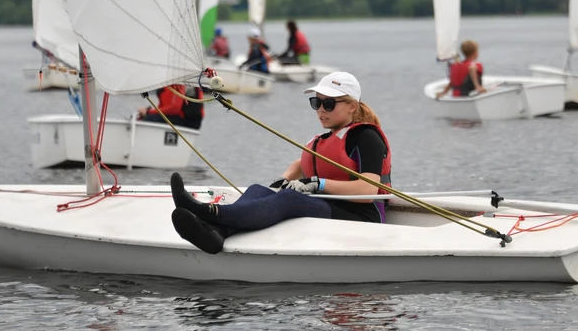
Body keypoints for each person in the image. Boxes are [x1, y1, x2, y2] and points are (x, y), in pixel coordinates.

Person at [169, 71, 391, 254]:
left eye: (329, 103)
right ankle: (216, 234)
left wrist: (317, 184)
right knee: (259, 190)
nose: (321, 109)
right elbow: (300, 164)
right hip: (333, 206)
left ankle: (208, 213)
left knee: (289, 199)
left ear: (352, 106)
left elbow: (369, 190)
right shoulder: (327, 138)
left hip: (364, 218)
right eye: (317, 102)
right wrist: (283, 180)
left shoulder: (366, 137)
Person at [137, 84, 204, 129]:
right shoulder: (169, 84)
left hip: (188, 121)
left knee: (148, 119)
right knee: (143, 118)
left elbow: (175, 108)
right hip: (177, 118)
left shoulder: (180, 82)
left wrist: (149, 112)